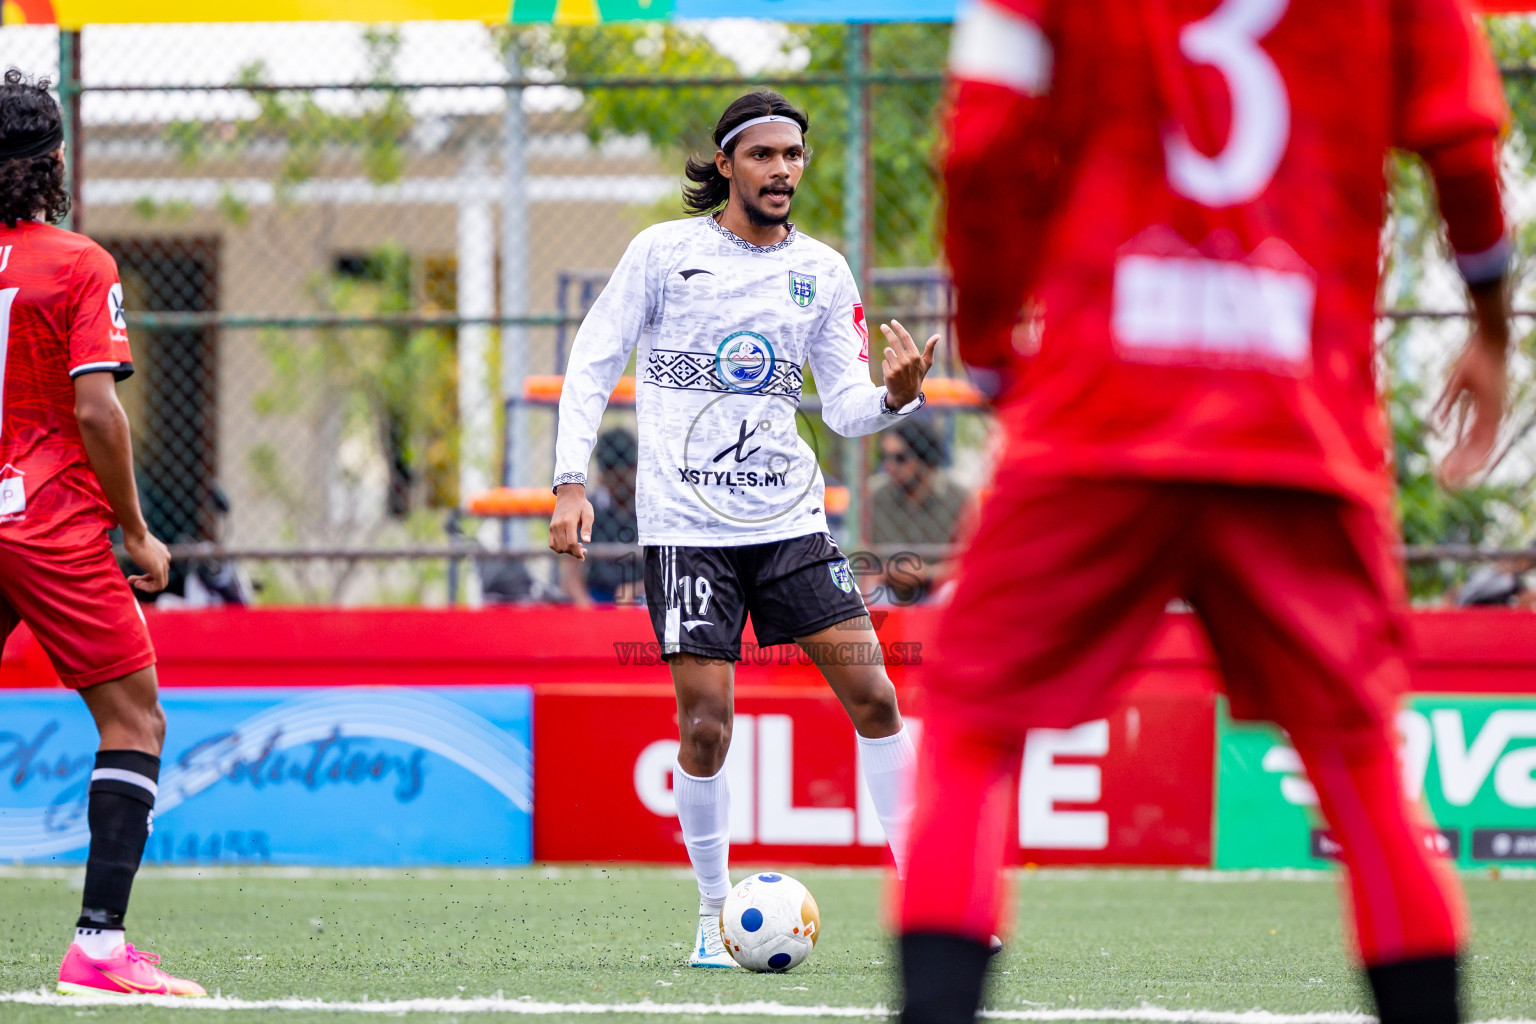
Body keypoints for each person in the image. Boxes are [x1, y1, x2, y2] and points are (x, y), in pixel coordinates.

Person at [899, 3, 1510, 1023]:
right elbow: (1462, 144)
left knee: (969, 730)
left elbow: (984, 144)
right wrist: (1490, 328)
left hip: (1098, 411)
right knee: (1360, 761)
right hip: (1298, 422)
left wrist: (996, 344)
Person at [549, 89, 936, 968]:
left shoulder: (823, 272)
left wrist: (894, 398)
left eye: (793, 156)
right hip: (687, 528)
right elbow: (593, 361)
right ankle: (714, 913)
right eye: (762, 155)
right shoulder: (663, 252)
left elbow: (842, 408)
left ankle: (928, 903)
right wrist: (570, 481)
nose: (781, 170)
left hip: (791, 523)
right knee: (707, 727)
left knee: (876, 698)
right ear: (726, 164)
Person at [0, 69, 202, 998]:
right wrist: (137, 532)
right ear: (53, 163)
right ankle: (99, 947)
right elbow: (98, 413)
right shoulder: (79, 263)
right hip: (46, 520)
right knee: (133, 719)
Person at [867, 417, 972, 603]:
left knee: (953, 594)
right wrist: (889, 571)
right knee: (870, 595)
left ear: (924, 457)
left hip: (937, 588)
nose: (890, 466)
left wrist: (927, 573)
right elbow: (859, 555)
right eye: (885, 458)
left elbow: (971, 563)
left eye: (900, 458)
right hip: (890, 588)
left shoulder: (958, 496)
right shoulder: (875, 495)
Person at [559, 427, 642, 605]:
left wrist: (637, 588)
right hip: (598, 594)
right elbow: (570, 573)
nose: (620, 485)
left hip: (641, 596)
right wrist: (584, 602)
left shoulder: (646, 508)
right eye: (613, 477)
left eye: (625, 476)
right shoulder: (592, 506)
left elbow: (666, 568)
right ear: (603, 476)